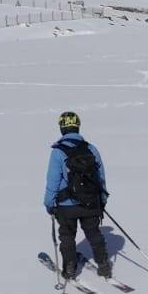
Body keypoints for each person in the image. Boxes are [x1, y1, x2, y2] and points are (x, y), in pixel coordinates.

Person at [44, 111, 112, 281]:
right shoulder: (91, 148)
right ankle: (103, 265)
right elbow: (100, 177)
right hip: (90, 202)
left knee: (67, 236)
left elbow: (53, 181)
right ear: (77, 126)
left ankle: (70, 268)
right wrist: (102, 200)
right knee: (94, 233)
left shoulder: (58, 152)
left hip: (66, 206)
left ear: (62, 128)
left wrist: (48, 203)